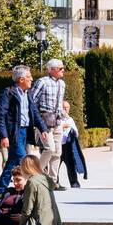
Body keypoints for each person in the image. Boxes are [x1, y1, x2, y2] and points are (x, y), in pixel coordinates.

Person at [0, 65, 48, 199]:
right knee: (24, 159)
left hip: (24, 132)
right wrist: (4, 135)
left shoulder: (27, 94)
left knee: (12, 161)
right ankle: (34, 185)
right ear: (21, 79)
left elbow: (34, 112)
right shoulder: (8, 93)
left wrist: (43, 129)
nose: (32, 79)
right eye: (29, 77)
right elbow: (0, 115)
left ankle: (1, 189)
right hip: (14, 132)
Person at [0, 156, 60, 225]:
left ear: (26, 167)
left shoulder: (32, 183)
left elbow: (27, 210)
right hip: (51, 223)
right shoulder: (45, 179)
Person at [31, 59, 67, 189]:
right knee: (49, 149)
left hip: (57, 121)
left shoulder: (62, 84)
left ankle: (52, 182)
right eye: (60, 68)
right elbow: (32, 100)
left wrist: (63, 116)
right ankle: (34, 173)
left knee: (57, 152)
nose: (63, 70)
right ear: (52, 70)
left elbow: (59, 103)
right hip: (44, 121)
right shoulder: (42, 82)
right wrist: (36, 121)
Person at [57, 100, 86, 189]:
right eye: (64, 107)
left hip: (67, 146)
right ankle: (55, 183)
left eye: (67, 107)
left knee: (71, 165)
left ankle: (74, 183)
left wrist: (72, 131)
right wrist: (62, 126)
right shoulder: (57, 118)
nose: (65, 109)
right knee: (55, 166)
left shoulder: (70, 119)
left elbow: (76, 132)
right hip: (57, 145)